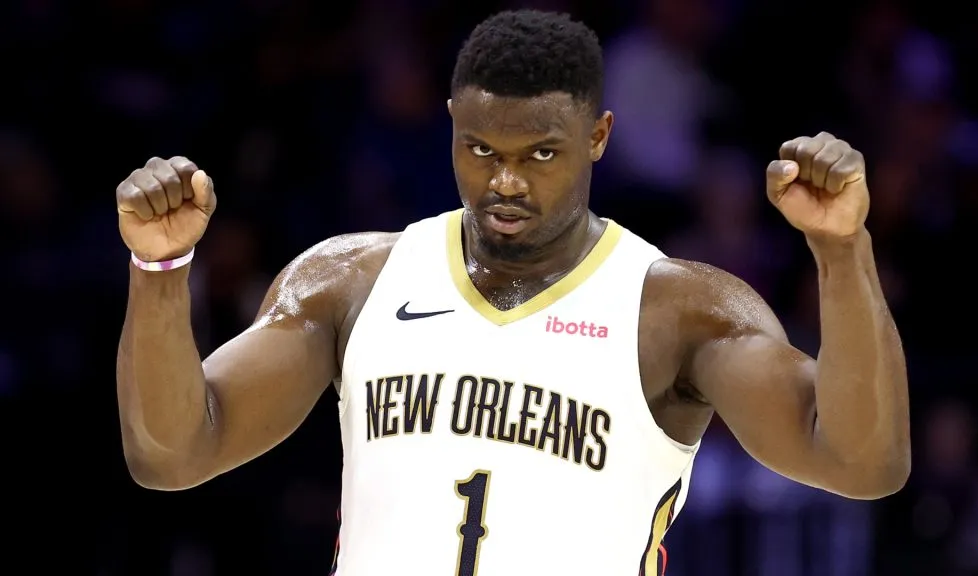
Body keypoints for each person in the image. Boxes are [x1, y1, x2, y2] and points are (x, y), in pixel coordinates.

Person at [114, 9, 910, 576]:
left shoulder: (676, 310)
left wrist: (841, 251)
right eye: (481, 148)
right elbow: (174, 453)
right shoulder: (352, 281)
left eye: (541, 154)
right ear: (452, 121)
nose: (504, 180)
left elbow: (861, 461)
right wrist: (159, 272)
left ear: (598, 136)